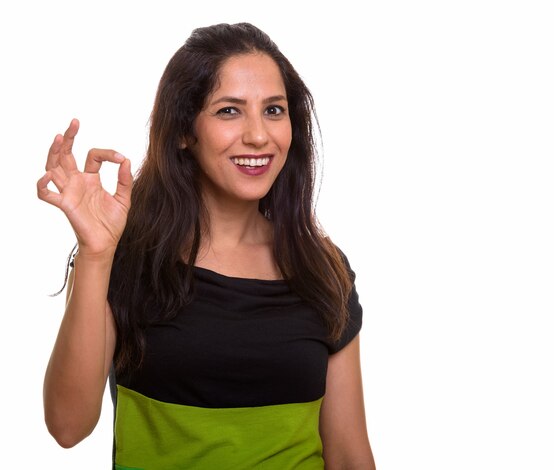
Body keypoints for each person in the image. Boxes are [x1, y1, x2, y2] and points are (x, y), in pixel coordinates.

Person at [37, 22, 375, 469]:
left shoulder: (322, 268)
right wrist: (97, 255)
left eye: (274, 110)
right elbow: (67, 425)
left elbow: (350, 455)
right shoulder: (126, 255)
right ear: (183, 132)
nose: (258, 135)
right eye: (229, 111)